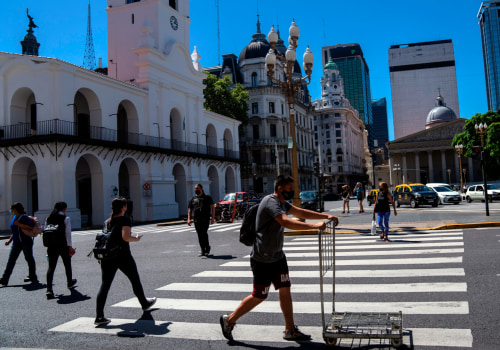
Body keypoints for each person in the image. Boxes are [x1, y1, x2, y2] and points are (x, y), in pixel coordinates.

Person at [220, 175, 339, 342]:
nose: (293, 192)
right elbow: (285, 221)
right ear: (280, 188)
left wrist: (324, 216)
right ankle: (229, 320)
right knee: (259, 295)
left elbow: (300, 212)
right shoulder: (271, 202)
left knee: (285, 290)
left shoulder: (282, 202)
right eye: (290, 189)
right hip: (262, 258)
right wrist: (314, 225)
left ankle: (290, 330)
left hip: (278, 256)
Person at [95, 197, 156, 327]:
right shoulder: (125, 219)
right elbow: (125, 237)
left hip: (107, 257)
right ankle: (144, 303)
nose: (126, 207)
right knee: (134, 279)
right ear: (123, 207)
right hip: (122, 255)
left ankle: (99, 316)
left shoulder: (107, 221)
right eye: (125, 205)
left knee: (105, 285)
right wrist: (137, 239)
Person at [44, 202, 77, 300]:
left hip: (51, 246)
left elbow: (46, 231)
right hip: (62, 245)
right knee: (67, 264)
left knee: (51, 267)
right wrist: (70, 246)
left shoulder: (48, 218)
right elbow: (68, 234)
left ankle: (49, 289)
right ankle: (69, 282)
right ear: (64, 209)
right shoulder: (65, 219)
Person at [0, 202, 38, 286]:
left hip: (25, 241)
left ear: (15, 209)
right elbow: (14, 231)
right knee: (11, 260)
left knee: (29, 258)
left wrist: (20, 224)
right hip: (16, 242)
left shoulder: (24, 217)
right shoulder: (14, 217)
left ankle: (32, 276)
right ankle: (4, 279)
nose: (11, 211)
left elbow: (30, 227)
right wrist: (9, 241)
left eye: (12, 209)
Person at [187, 184, 215, 257]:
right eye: (195, 188)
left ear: (201, 189)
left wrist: (213, 217)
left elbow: (213, 207)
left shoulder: (207, 198)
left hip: (205, 219)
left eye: (198, 188)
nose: (196, 190)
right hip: (196, 219)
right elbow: (190, 210)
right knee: (199, 235)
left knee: (204, 233)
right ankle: (202, 250)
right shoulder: (192, 199)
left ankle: (207, 248)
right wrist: (189, 219)